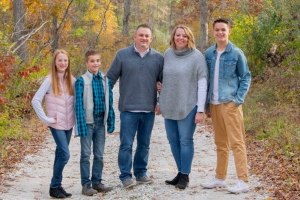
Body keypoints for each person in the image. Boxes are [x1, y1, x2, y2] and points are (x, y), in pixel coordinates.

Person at [106, 24, 164, 189]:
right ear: (135, 37)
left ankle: (140, 173)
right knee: (126, 144)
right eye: (141, 35)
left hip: (148, 110)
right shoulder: (122, 55)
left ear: (151, 38)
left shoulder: (158, 58)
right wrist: (101, 100)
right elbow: (110, 79)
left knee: (144, 144)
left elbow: (164, 83)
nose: (144, 38)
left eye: (147, 36)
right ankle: (125, 176)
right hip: (128, 110)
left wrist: (159, 102)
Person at [200, 18, 251, 194]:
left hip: (230, 103)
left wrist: (238, 100)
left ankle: (243, 180)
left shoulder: (236, 53)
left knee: (237, 142)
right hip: (214, 104)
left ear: (229, 31)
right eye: (217, 30)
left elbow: (246, 77)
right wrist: (206, 104)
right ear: (213, 31)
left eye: (223, 29)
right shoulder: (208, 53)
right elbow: (206, 79)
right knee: (221, 143)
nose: (220, 32)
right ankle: (220, 178)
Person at [157, 25, 208, 190]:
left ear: (189, 38)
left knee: (185, 140)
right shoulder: (168, 54)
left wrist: (200, 109)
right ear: (173, 37)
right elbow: (164, 80)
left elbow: (202, 83)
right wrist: (159, 100)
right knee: (172, 140)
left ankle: (185, 175)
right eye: (178, 35)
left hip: (188, 104)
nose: (181, 38)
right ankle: (180, 172)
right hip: (169, 104)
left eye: (184, 36)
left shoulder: (196, 56)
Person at [32, 49, 75, 198]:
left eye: (65, 60)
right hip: (56, 124)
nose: (63, 63)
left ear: (68, 63)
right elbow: (35, 100)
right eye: (60, 60)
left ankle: (57, 186)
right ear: (55, 62)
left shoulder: (72, 80)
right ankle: (54, 186)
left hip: (69, 125)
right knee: (65, 155)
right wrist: (46, 119)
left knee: (59, 154)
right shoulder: (50, 80)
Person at [75, 50, 115, 196]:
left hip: (100, 122)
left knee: (99, 155)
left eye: (98, 60)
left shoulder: (105, 80)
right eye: (92, 61)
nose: (95, 63)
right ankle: (86, 185)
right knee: (85, 154)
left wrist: (110, 120)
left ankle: (96, 182)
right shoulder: (82, 81)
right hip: (87, 122)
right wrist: (80, 127)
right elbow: (78, 105)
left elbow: (109, 102)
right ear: (86, 63)